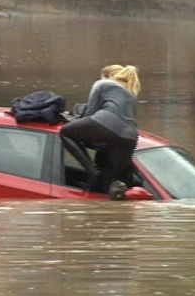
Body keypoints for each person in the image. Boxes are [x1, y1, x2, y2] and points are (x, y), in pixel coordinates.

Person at [59, 64, 141, 200]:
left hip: (105, 123)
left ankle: (91, 171)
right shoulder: (131, 95)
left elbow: (90, 114)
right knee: (117, 180)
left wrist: (75, 120)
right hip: (129, 138)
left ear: (107, 76)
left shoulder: (102, 84)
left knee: (65, 132)